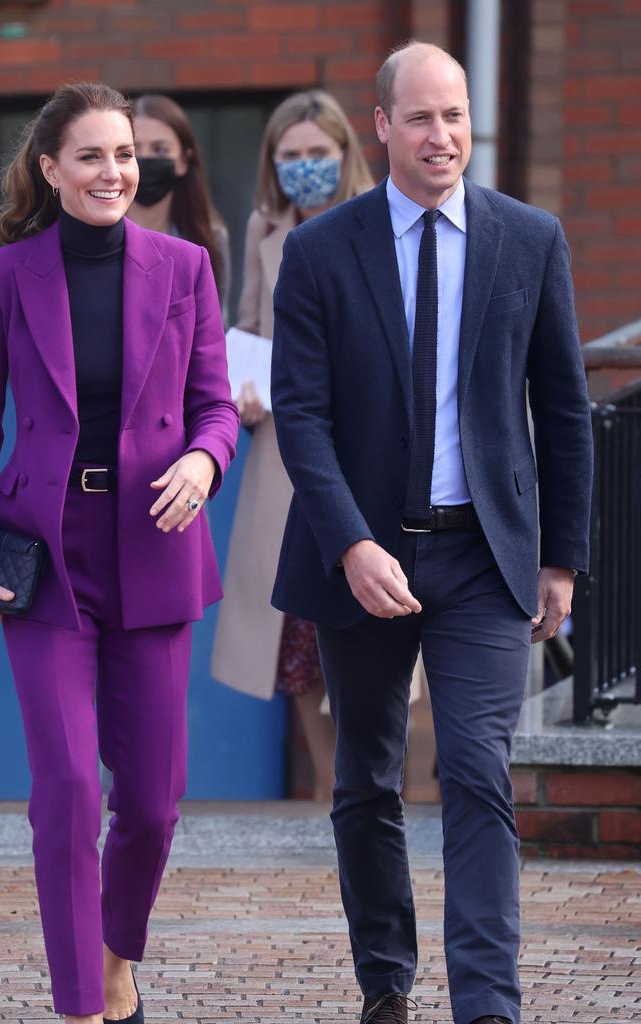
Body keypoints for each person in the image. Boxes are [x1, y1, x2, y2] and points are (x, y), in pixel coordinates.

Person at [270, 42, 592, 1024]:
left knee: (476, 768)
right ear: (382, 126)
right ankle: (386, 978)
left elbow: (566, 408)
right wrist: (351, 543)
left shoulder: (528, 239)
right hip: (362, 551)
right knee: (366, 774)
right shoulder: (323, 249)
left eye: (453, 116)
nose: (441, 135)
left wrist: (561, 558)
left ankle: (488, 1002)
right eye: (420, 118)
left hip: (484, 554)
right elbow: (301, 413)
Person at [0, 82, 239, 1024]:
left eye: (125, 155)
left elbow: (217, 407)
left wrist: (204, 457)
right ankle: (82, 1009)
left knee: (150, 802)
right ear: (51, 170)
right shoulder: (3, 277)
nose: (115, 171)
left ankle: (115, 955)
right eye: (94, 155)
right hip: (46, 557)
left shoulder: (185, 267)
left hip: (155, 544)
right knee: (66, 788)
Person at [211, 90, 374, 802]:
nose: (305, 167)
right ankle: (332, 803)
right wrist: (238, 393)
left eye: (318, 154)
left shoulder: (382, 217)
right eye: (291, 156)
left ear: (345, 153)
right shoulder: (264, 227)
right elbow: (248, 327)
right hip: (284, 455)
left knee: (368, 632)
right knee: (294, 642)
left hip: (368, 451)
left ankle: (374, 798)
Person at [127, 93, 231, 321]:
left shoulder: (210, 238)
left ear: (184, 161)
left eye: (160, 150)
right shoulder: (96, 235)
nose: (145, 159)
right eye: (133, 151)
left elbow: (215, 328)